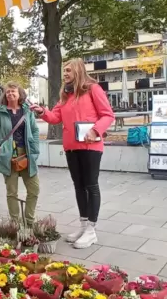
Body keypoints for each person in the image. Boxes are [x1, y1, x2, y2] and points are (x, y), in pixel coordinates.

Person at [30, 58, 114, 249]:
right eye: (64, 71)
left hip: (90, 145)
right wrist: (42, 111)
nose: (65, 73)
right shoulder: (65, 95)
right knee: (78, 186)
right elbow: (55, 117)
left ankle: (92, 230)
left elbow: (108, 115)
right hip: (71, 146)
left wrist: (95, 130)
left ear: (78, 70)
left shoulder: (93, 89)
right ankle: (83, 226)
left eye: (68, 70)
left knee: (91, 185)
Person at [0, 82, 40, 227]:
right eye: (8, 92)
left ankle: (29, 221)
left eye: (13, 91)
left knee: (34, 189)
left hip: (27, 154)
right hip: (8, 155)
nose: (10, 94)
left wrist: (35, 148)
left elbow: (35, 130)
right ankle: (15, 223)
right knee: (12, 192)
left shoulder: (27, 111)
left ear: (20, 94)